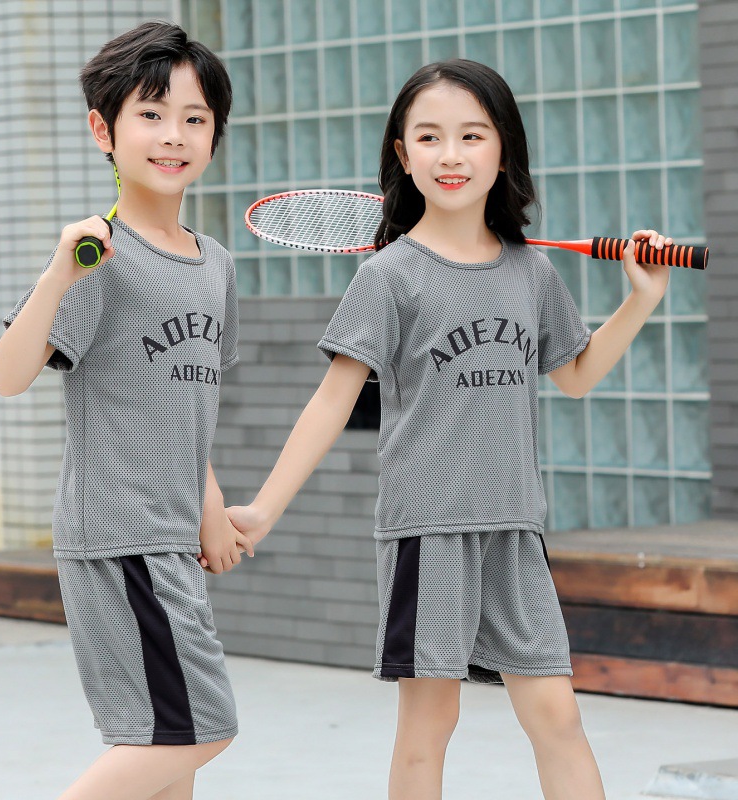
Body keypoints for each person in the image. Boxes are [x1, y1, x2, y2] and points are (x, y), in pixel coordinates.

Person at [226, 59, 673, 800]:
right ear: (404, 156)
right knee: (429, 725)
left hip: (514, 530)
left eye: (472, 134)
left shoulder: (532, 274)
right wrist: (264, 510)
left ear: (503, 150)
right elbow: (331, 403)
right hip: (427, 532)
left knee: (558, 718)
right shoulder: (389, 276)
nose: (452, 154)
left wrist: (642, 298)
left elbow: (576, 374)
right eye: (430, 137)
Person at [0, 21, 252, 800]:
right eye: (151, 114)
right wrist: (57, 276)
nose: (174, 135)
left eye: (195, 118)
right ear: (104, 130)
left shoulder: (216, 266)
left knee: (165, 752)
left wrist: (209, 510)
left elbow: (186, 408)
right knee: (200, 730)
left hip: (169, 536)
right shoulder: (97, 254)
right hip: (119, 536)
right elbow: (8, 376)